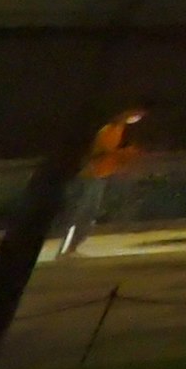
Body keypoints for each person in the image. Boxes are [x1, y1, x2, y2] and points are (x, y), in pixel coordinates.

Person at [54, 107, 145, 257]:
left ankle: (72, 247)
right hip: (91, 176)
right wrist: (119, 155)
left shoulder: (118, 130)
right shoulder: (107, 131)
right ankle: (65, 248)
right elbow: (98, 154)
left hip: (100, 175)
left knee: (89, 213)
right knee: (80, 213)